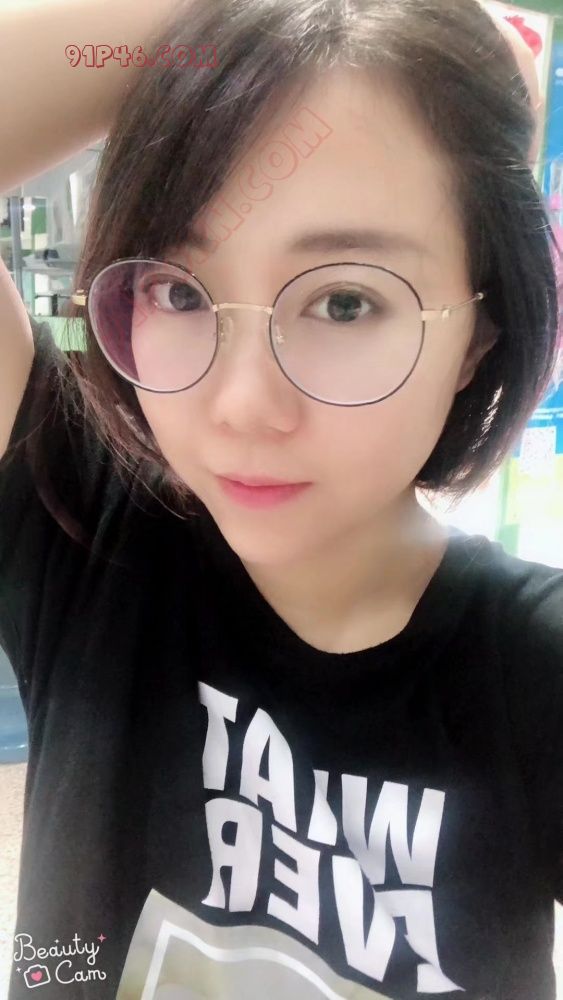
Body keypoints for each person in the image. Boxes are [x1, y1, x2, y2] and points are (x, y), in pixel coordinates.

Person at [0, 0, 561, 998]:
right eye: (179, 292)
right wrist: (242, 24)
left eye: (344, 301)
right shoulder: (88, 536)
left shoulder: (529, 670)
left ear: (478, 333)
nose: (241, 406)